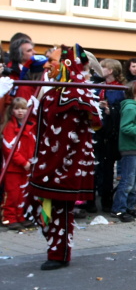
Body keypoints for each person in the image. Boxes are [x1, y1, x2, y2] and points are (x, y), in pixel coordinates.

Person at [25, 45, 103, 270]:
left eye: (52, 61)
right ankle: (56, 250)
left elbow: (67, 138)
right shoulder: (52, 92)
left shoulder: (74, 95)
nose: (47, 64)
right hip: (46, 163)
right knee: (41, 206)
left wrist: (47, 167)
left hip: (61, 166)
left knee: (60, 210)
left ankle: (59, 254)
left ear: (68, 66)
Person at [111, 81, 136, 223]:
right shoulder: (130, 108)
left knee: (135, 180)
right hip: (129, 149)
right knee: (128, 180)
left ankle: (129, 206)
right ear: (134, 91)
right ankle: (119, 208)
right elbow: (125, 127)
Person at [95, 59, 126, 211]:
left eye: (103, 67)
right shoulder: (99, 87)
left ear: (111, 70)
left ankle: (107, 200)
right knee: (100, 167)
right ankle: (101, 196)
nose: (100, 69)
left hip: (112, 133)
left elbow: (122, 109)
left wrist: (111, 110)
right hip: (100, 131)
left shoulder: (121, 89)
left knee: (108, 168)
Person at [2, 97, 37, 230]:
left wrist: (31, 162)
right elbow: (9, 149)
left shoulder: (30, 125)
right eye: (17, 109)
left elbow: (33, 145)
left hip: (27, 166)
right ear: (12, 111)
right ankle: (8, 217)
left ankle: (20, 216)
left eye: (23, 108)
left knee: (23, 193)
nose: (20, 111)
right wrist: (23, 162)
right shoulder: (10, 127)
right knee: (12, 194)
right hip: (13, 168)